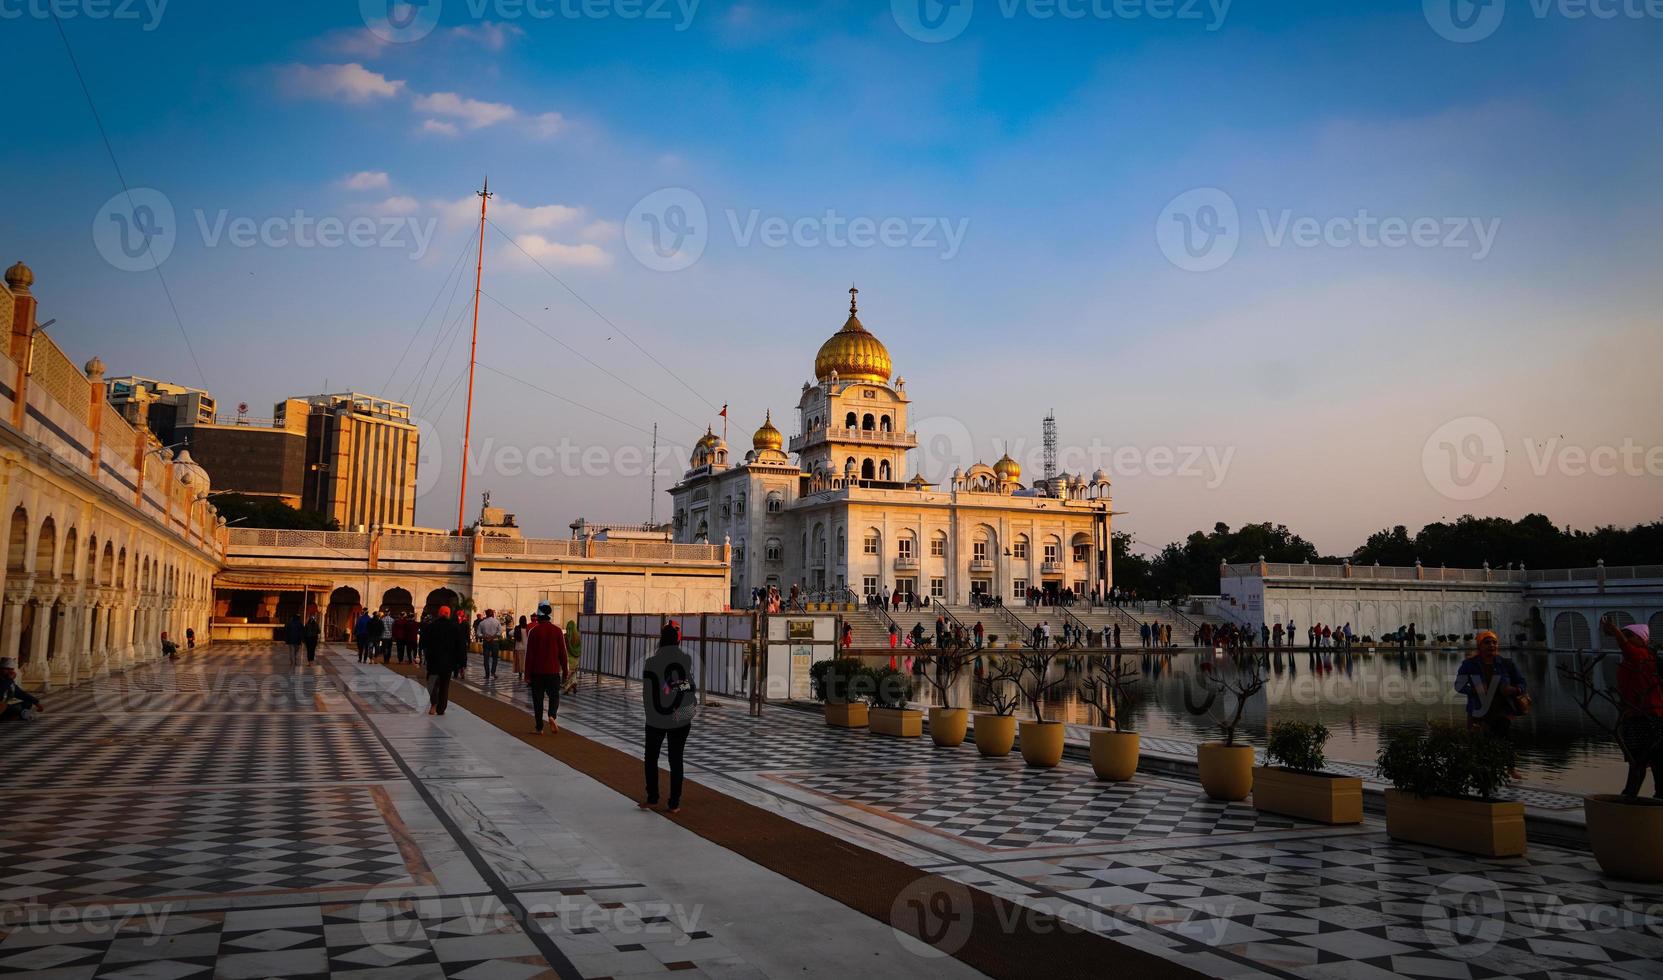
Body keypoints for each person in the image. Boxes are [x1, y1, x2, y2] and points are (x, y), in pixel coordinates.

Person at [1603, 618, 1663, 798]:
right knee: (1643, 760)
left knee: (1646, 759)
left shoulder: (1642, 656)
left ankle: (1634, 797)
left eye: (1630, 636)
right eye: (1626, 636)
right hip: (1636, 715)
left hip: (1647, 716)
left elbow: (1626, 647)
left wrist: (1614, 630)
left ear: (1641, 639)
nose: (1626, 640)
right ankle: (1636, 797)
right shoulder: (1636, 659)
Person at [641, 620, 696, 813]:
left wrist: (652, 714)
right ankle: (674, 803)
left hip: (657, 717)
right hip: (681, 716)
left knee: (651, 757)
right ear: (678, 642)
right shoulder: (686, 660)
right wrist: (674, 687)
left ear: (661, 641)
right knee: (676, 758)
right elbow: (689, 686)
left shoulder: (650, 663)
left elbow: (647, 694)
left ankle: (653, 798)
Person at [1454, 630, 1527, 740]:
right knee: (1478, 745)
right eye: (1487, 642)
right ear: (1480, 646)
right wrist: (1474, 690)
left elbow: (1522, 683)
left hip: (1502, 712)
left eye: (1494, 642)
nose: (1491, 645)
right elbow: (1459, 686)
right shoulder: (1469, 664)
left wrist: (1514, 690)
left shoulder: (1506, 664)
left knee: (1501, 744)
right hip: (1478, 711)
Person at [523, 602, 569, 734]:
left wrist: (527, 675)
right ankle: (552, 715)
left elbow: (529, 655)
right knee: (554, 696)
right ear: (550, 616)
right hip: (553, 671)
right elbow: (563, 653)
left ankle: (539, 728)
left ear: (538, 617)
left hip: (537, 672)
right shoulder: (557, 631)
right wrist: (565, 671)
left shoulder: (534, 632)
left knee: (538, 700)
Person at [423, 605, 463, 716]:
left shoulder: (431, 626)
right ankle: (441, 709)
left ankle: (433, 704)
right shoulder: (454, 627)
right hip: (448, 662)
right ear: (448, 614)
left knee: (432, 683)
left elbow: (424, 643)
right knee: (444, 686)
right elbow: (460, 646)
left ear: (439, 613)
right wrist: (461, 663)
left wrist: (425, 656)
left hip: (433, 661)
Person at [477, 608, 503, 680]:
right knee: (495, 658)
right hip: (495, 641)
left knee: (486, 658)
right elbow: (500, 632)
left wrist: (484, 636)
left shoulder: (482, 623)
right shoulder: (497, 622)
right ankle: (493, 672)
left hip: (486, 641)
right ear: (492, 614)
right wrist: (493, 637)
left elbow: (478, 633)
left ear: (486, 614)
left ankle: (487, 674)